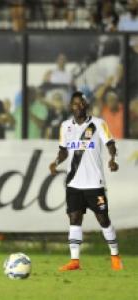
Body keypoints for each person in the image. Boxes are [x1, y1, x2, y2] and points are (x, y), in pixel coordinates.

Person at [49, 91, 122, 271]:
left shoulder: (98, 124)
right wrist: (56, 161)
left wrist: (113, 159)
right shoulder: (65, 126)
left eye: (81, 103)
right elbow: (63, 151)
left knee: (103, 220)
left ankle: (115, 256)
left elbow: (111, 145)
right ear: (70, 107)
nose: (78, 106)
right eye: (75, 104)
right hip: (74, 182)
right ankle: (75, 261)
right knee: (74, 219)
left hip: (94, 183)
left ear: (86, 105)